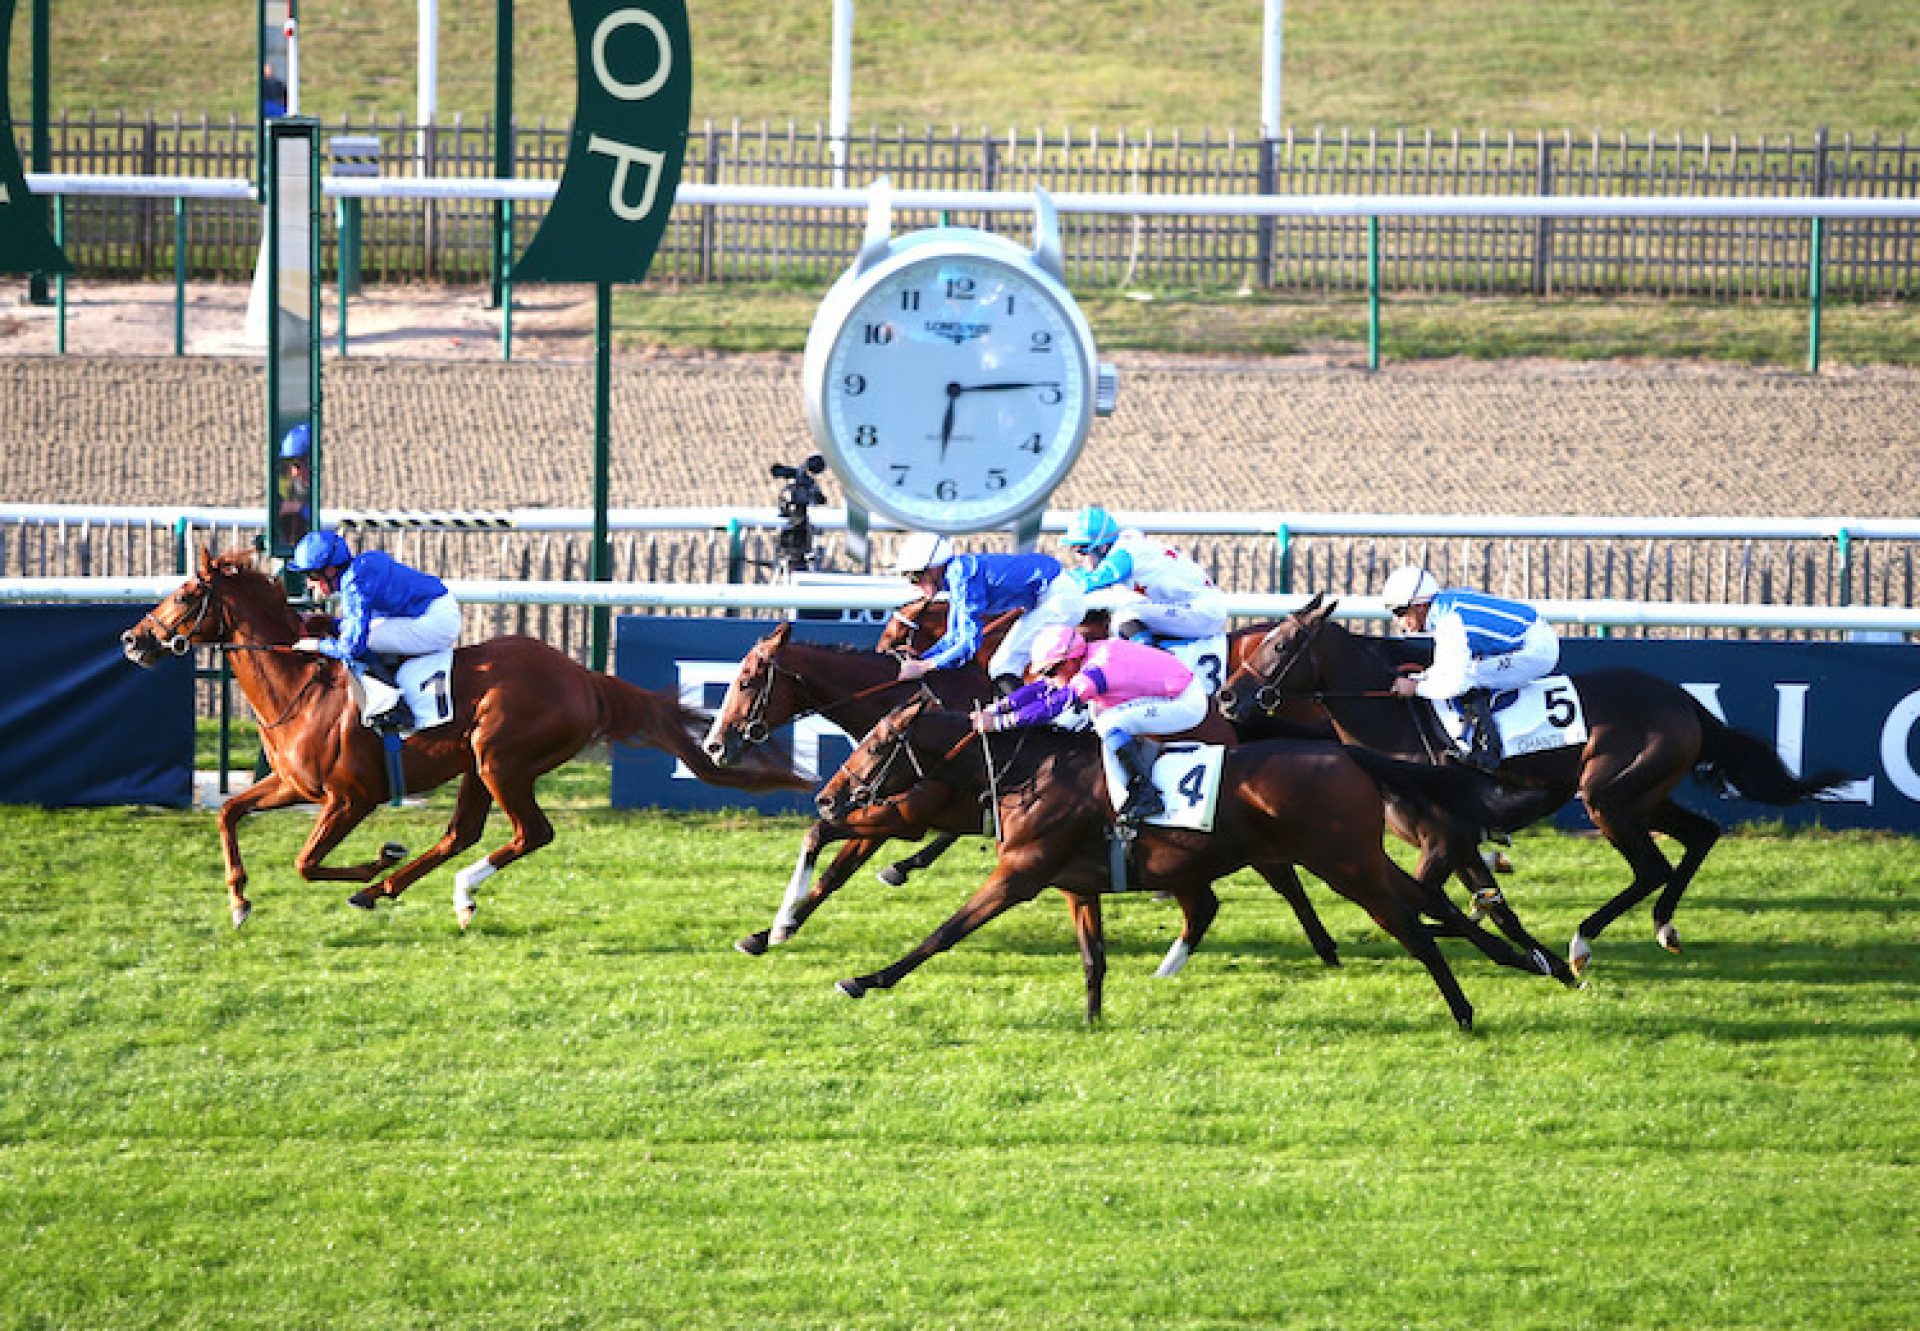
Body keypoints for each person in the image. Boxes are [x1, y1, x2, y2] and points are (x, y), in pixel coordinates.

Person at [973, 625, 1208, 824]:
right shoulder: (1079, 660)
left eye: (1052, 670)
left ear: (1070, 661)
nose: (1050, 676)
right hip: (1167, 691)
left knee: (1109, 723)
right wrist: (996, 709)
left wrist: (1000, 723)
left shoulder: (1097, 670)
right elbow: (1040, 689)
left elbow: (1054, 706)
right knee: (1100, 717)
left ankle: (1145, 794)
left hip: (1184, 701)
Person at [1381, 565, 1560, 771]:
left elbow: (1455, 682)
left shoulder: (1450, 622)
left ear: (1420, 605)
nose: (1399, 621)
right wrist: (1423, 678)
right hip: (1527, 638)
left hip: (1536, 651)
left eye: (1401, 612)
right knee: (1469, 673)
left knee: (1472, 676)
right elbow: (1444, 667)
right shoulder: (1444, 608)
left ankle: (1488, 751)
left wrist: (1415, 688)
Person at [286, 528, 461, 733]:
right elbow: (359, 622)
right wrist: (328, 623)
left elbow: (352, 647)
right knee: (362, 633)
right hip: (432, 608)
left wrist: (318, 645)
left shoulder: (354, 584)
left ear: (331, 570)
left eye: (312, 575)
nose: (309, 583)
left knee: (364, 641)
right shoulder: (361, 567)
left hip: (434, 621)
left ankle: (392, 704)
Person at [892, 531, 1086, 693]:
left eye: (915, 577)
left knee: (1003, 665)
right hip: (1048, 596)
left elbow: (969, 644)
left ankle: (1021, 728)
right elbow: (954, 636)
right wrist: (923, 659)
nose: (915, 585)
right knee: (1002, 665)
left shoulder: (962, 575)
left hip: (1058, 598)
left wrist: (925, 667)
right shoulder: (957, 575)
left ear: (933, 569)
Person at [1060, 505, 1227, 647]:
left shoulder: (1124, 554)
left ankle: (1151, 666)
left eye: (1081, 550)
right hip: (1191, 607)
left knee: (1125, 616)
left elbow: (1092, 581)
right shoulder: (1124, 547)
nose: (1079, 558)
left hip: (1202, 612)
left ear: (1102, 547)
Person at [276, 422, 313, 549]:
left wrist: (301, 509)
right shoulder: (290, 487)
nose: (294, 473)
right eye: (290, 466)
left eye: (297, 465)